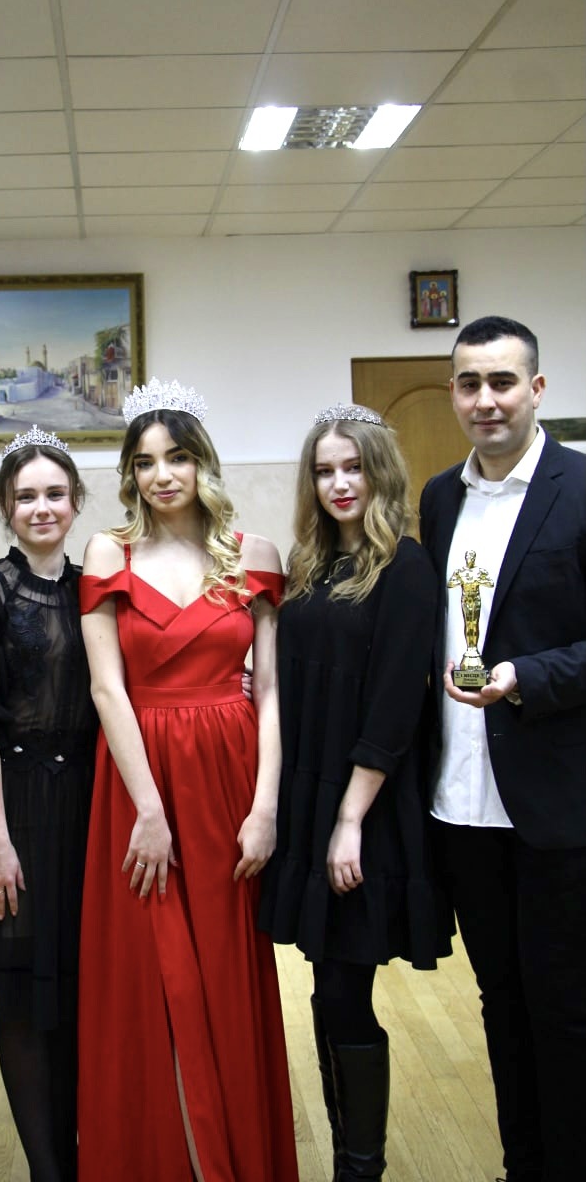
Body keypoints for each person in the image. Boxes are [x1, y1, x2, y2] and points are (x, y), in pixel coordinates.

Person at [77, 378, 299, 1182]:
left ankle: (234, 1156)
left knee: (228, 971)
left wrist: (265, 807)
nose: (161, 475)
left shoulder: (255, 555)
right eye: (143, 462)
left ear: (203, 462)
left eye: (175, 457)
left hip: (229, 779)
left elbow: (269, 688)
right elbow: (107, 689)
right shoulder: (108, 553)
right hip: (138, 780)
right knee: (146, 974)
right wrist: (147, 809)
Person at [259, 403, 450, 1182]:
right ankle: (347, 1156)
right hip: (312, 797)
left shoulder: (405, 567)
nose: (339, 483)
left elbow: (396, 704)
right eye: (324, 470)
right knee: (326, 984)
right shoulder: (310, 565)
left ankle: (360, 1167)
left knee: (343, 987)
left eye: (353, 467)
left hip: (364, 806)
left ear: (380, 472)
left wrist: (348, 820)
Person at [420, 316, 586, 1182]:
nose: (484, 400)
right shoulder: (438, 498)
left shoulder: (579, 489)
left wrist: (526, 676)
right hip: (463, 802)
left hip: (556, 804)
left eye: (501, 381)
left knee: (565, 1010)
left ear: (536, 389)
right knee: (499, 1001)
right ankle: (523, 1165)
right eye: (467, 383)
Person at [0, 426, 96, 1182]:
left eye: (55, 494)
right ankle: (47, 1169)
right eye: (26, 495)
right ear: (5, 506)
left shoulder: (94, 586)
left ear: (76, 502)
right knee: (24, 996)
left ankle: (82, 1151)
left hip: (91, 808)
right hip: (14, 811)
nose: (42, 507)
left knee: (78, 988)